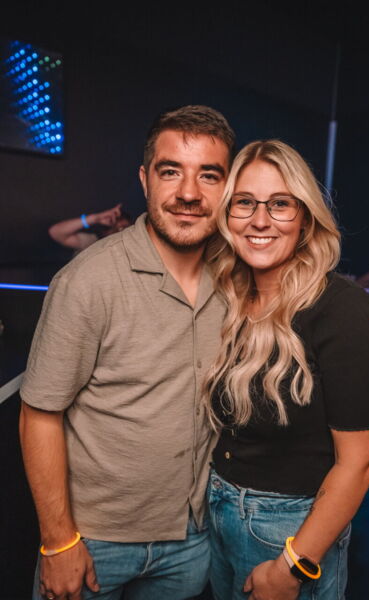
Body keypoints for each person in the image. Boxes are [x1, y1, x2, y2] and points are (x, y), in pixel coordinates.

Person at [19, 105, 235, 600]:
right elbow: (39, 414)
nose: (188, 193)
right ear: (144, 180)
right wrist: (58, 541)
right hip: (92, 540)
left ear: (228, 187)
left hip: (191, 538)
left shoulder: (234, 279)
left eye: (209, 175)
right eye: (170, 171)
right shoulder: (87, 281)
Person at [203, 140, 369, 600]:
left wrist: (294, 564)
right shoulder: (232, 297)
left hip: (288, 529)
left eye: (280, 204)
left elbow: (361, 462)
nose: (260, 220)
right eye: (245, 202)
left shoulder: (342, 310)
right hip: (217, 514)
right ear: (228, 214)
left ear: (305, 218)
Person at [48, 204, 133, 253]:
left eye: (125, 228)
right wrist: (96, 218)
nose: (120, 233)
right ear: (106, 232)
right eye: (117, 229)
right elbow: (56, 232)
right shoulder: (92, 243)